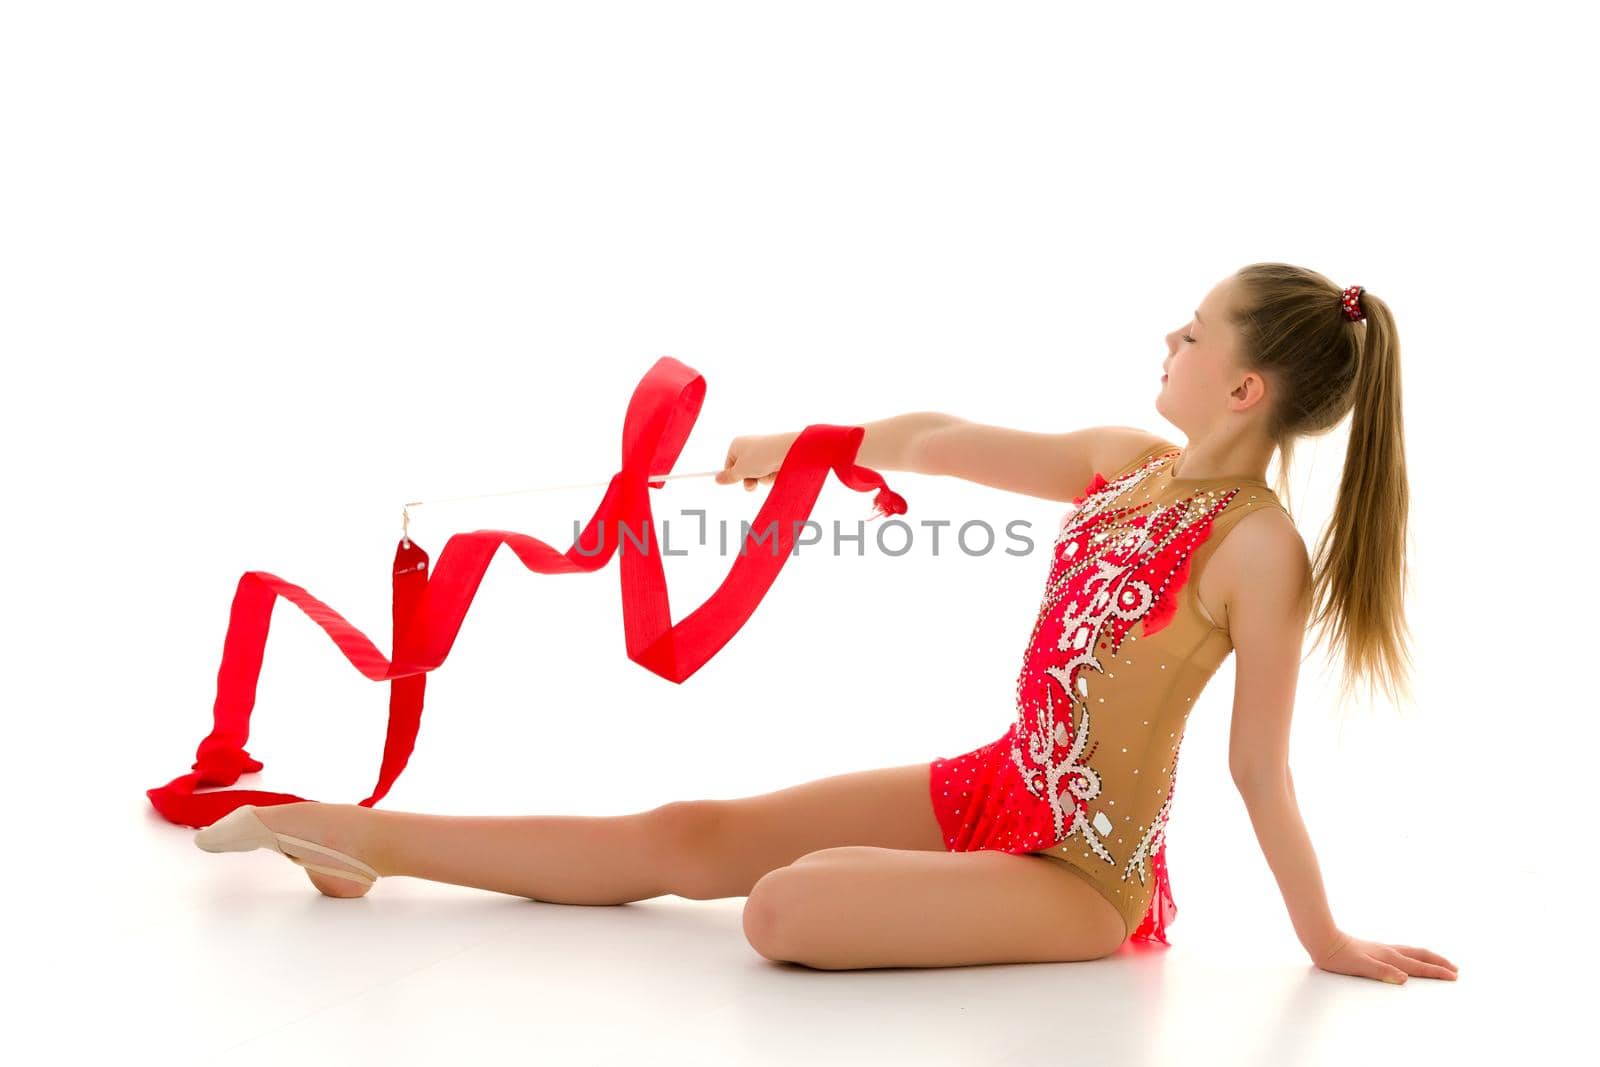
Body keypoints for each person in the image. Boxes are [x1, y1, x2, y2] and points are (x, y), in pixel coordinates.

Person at [194, 262, 1459, 984]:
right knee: (690, 832)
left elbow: (1257, 768)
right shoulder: (1121, 459)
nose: (1166, 339)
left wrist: (1324, 938)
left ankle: (876, 896)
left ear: (1242, 386)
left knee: (781, 910)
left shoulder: (1256, 548)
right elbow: (932, 441)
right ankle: (360, 838)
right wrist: (794, 445)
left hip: (1081, 877)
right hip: (993, 785)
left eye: (1190, 332)